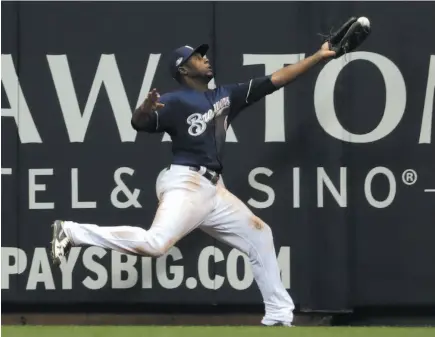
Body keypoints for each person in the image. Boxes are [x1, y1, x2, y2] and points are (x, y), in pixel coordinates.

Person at [51, 42, 336, 327]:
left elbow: (276, 79)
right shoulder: (175, 101)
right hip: (186, 182)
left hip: (214, 191)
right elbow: (139, 123)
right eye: (197, 58)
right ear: (183, 69)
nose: (205, 59)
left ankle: (278, 316)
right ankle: (72, 232)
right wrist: (145, 108)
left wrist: (317, 57)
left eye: (203, 55)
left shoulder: (227, 95)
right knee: (155, 244)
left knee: (260, 236)